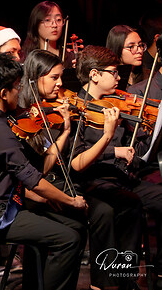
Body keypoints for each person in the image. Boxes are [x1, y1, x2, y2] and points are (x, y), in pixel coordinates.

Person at [0, 52, 87, 290]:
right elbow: (33, 179)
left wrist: (64, 132)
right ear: (4, 93)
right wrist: (70, 201)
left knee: (76, 228)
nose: (19, 91)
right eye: (16, 87)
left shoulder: (1, 121)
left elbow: (35, 170)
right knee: (68, 239)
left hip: (8, 206)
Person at [19, 49, 127, 290]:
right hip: (34, 190)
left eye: (61, 77)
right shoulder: (22, 113)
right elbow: (33, 172)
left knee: (104, 211)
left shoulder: (63, 110)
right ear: (35, 78)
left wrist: (97, 134)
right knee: (81, 224)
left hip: (61, 182)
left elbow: (74, 162)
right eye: (54, 78)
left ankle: (103, 284)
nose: (60, 84)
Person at [73, 45, 162, 288]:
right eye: (113, 72)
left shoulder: (116, 104)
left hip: (123, 177)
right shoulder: (77, 109)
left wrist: (149, 137)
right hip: (93, 181)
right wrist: (115, 151)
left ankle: (153, 270)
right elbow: (77, 157)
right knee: (125, 205)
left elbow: (134, 147)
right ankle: (113, 280)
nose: (118, 77)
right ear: (94, 75)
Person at [21, 1, 75, 67]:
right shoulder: (26, 59)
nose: (55, 25)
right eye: (47, 20)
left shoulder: (71, 59)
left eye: (58, 20)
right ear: (36, 24)